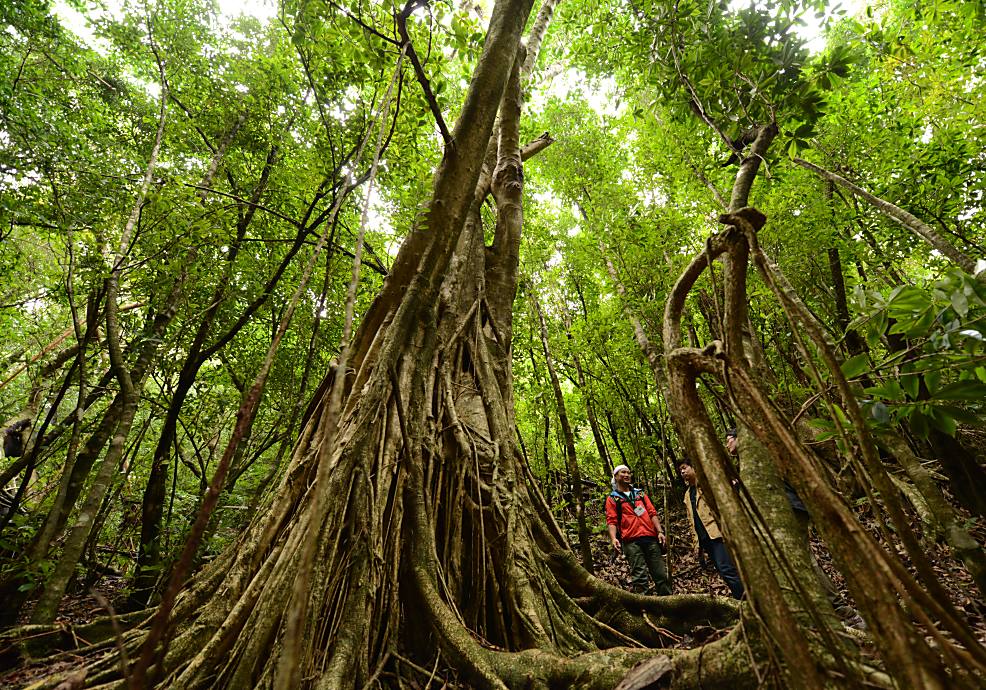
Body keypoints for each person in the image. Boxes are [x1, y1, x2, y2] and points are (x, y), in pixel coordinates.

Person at [725, 428, 865, 628]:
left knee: (804, 561)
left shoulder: (760, 454)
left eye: (729, 439)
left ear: (741, 439)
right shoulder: (750, 463)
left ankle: (843, 612)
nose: (727, 444)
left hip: (788, 509)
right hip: (783, 511)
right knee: (798, 562)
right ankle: (826, 611)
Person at [678, 460, 745, 599]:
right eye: (680, 470)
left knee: (727, 568)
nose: (682, 472)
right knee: (723, 570)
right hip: (704, 539)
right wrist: (696, 544)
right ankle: (741, 599)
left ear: (693, 467)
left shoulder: (706, 486)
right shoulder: (687, 494)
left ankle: (745, 600)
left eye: (684, 468)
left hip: (717, 533)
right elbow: (692, 521)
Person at [605, 465, 672, 595]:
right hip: (631, 542)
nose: (627, 475)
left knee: (660, 574)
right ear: (616, 476)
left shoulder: (640, 493)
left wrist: (660, 532)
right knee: (640, 577)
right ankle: (647, 609)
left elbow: (652, 512)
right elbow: (611, 520)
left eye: (628, 473)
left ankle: (668, 603)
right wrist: (614, 538)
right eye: (623, 472)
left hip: (650, 538)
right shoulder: (613, 498)